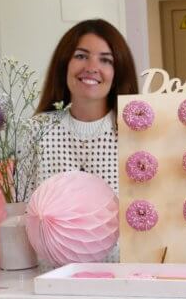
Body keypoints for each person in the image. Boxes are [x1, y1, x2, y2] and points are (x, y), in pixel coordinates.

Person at [33, 19, 139, 194]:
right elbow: (20, 208)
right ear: (63, 64)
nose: (92, 68)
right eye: (81, 56)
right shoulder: (36, 130)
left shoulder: (136, 135)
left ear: (118, 72)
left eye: (105, 60)